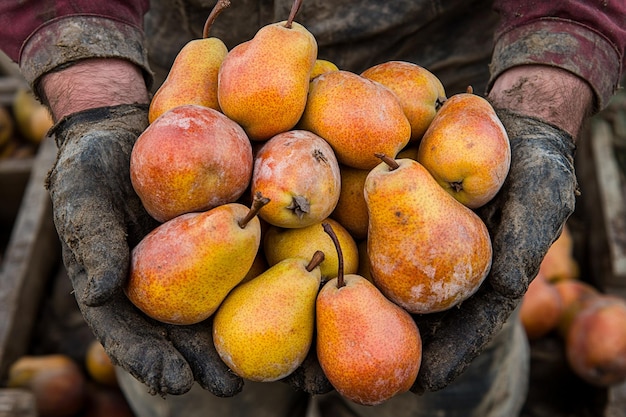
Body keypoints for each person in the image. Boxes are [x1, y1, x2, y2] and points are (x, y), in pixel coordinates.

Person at [1, 1, 625, 416]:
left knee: (443, 375)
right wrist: (95, 101)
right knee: (197, 394)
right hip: (182, 109)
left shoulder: (400, 170)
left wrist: (543, 105)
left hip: (440, 95)